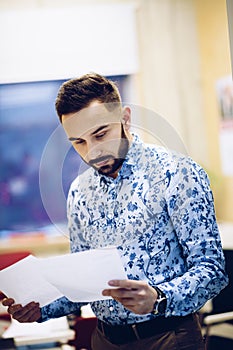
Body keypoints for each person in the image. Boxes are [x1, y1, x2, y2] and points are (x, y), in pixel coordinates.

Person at [2, 73, 228, 350]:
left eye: (100, 134)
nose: (93, 151)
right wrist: (41, 310)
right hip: (104, 340)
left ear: (125, 118)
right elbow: (83, 286)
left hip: (169, 338)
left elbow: (213, 270)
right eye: (78, 142)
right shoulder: (79, 192)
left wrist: (159, 297)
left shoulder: (178, 173)